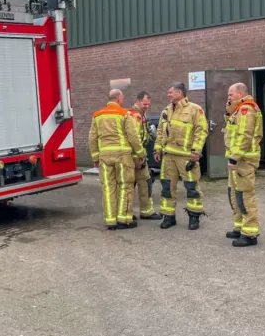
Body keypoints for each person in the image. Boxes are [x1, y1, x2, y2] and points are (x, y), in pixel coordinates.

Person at [89, 89, 147, 230]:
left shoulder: (97, 115)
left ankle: (110, 221)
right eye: (122, 97)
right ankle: (124, 219)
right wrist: (141, 153)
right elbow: (132, 135)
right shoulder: (124, 114)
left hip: (104, 157)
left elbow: (92, 138)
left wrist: (95, 157)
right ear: (119, 98)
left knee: (108, 188)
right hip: (122, 156)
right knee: (125, 186)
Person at [153, 82, 208, 230]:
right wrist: (157, 150)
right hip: (168, 156)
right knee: (166, 187)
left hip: (187, 157)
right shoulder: (166, 110)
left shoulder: (195, 109)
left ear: (180, 93)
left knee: (192, 187)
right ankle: (169, 217)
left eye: (170, 92)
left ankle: (194, 217)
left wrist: (196, 152)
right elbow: (160, 131)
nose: (168, 94)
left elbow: (201, 131)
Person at [223, 82, 264, 247]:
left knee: (245, 196)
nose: (228, 97)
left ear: (240, 94)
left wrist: (234, 157)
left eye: (231, 94)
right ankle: (239, 228)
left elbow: (244, 135)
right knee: (234, 195)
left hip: (244, 160)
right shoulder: (239, 109)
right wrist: (230, 107)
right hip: (238, 159)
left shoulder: (247, 109)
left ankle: (250, 234)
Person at [127, 91, 161, 220]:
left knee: (145, 182)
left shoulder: (142, 115)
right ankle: (127, 213)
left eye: (148, 104)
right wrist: (139, 156)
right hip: (134, 156)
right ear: (138, 101)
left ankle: (146, 211)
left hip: (140, 155)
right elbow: (134, 137)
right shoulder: (133, 115)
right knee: (130, 185)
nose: (147, 106)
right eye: (145, 104)